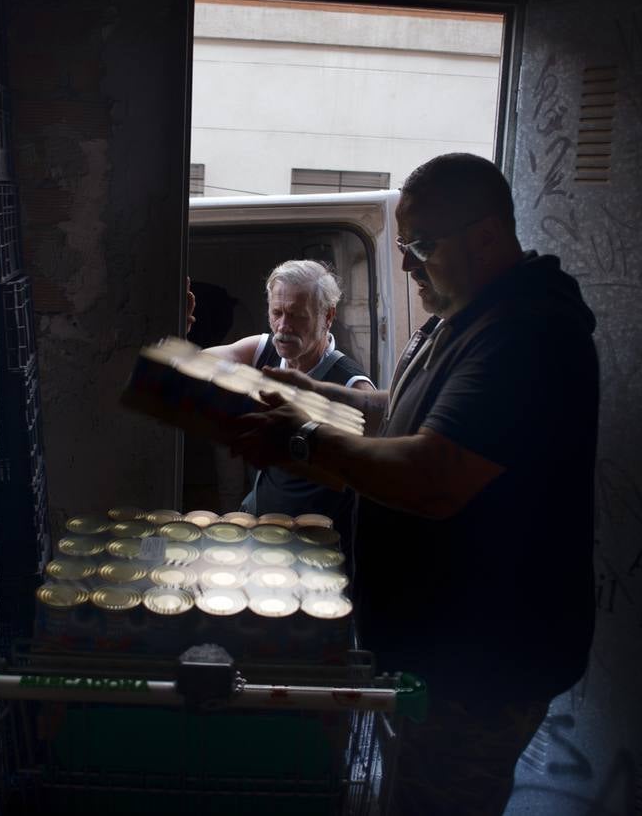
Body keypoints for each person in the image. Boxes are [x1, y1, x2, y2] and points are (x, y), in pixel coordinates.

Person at [228, 153, 598, 815]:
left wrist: (302, 439)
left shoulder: (526, 332)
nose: (405, 265)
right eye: (403, 245)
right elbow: (402, 415)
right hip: (437, 652)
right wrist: (313, 395)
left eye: (422, 245)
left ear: (487, 237)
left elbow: (435, 476)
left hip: (481, 663)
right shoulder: (463, 317)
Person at [198, 259, 375, 522]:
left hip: (315, 540)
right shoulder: (263, 349)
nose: (282, 327)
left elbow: (370, 486)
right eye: (277, 313)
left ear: (327, 316)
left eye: (296, 315)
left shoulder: (352, 387)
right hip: (262, 524)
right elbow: (196, 363)